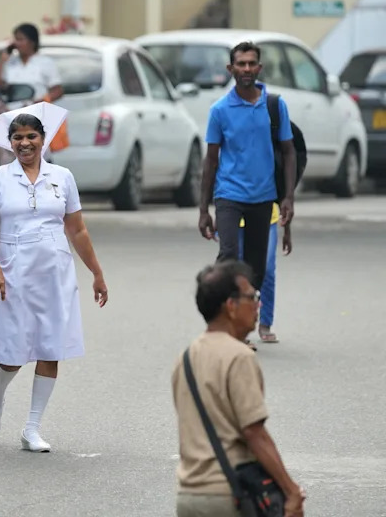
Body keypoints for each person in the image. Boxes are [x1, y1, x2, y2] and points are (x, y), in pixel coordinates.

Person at [0, 104, 108, 452]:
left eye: (31, 136)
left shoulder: (62, 176)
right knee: (13, 350)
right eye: (18, 137)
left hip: (54, 270)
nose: (25, 143)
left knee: (51, 347)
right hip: (13, 268)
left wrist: (96, 272)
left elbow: (77, 229)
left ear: (43, 139)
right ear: (10, 142)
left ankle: (32, 428)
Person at [172, 260, 304, 517]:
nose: (258, 305)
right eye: (252, 297)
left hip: (189, 496)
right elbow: (254, 432)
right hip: (229, 494)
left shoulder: (185, 358)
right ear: (231, 306)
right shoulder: (239, 356)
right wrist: (291, 490)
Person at [198, 41, 297, 338]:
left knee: (255, 270)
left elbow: (289, 152)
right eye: (241, 64)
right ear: (231, 69)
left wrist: (288, 197)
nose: (246, 69)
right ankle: (219, 323)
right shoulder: (219, 110)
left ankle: (241, 328)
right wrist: (203, 210)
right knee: (229, 257)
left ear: (259, 68)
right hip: (229, 195)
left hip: (263, 197)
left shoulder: (274, 106)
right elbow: (211, 160)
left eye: (252, 63)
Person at [238, 204, 291, 344]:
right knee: (239, 273)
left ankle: (266, 322)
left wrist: (287, 228)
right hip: (235, 216)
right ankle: (239, 325)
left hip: (265, 215)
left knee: (267, 269)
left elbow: (285, 194)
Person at [0, 23, 64, 104]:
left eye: (20, 40)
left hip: (37, 108)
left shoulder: (45, 62)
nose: (17, 44)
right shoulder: (11, 62)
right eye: (16, 40)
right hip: (13, 109)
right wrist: (2, 60)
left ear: (32, 42)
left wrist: (42, 100)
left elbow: (57, 91)